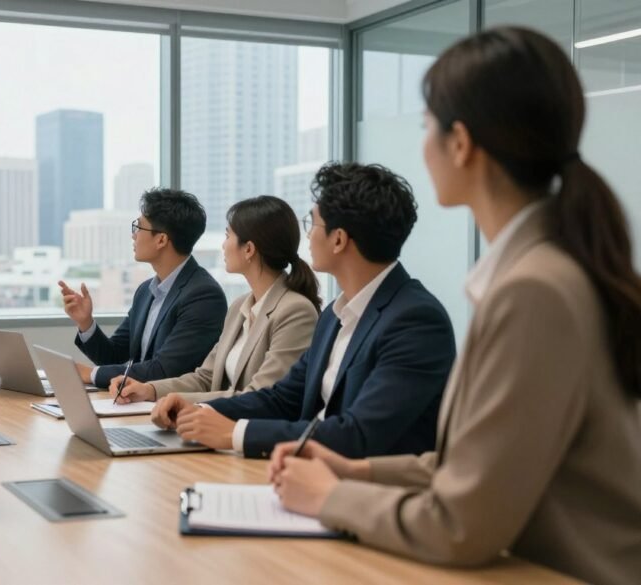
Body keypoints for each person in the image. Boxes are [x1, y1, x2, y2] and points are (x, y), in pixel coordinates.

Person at [269, 28, 641, 585]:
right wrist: (356, 471)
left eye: (426, 127)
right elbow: (477, 468)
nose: (423, 144)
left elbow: (460, 524)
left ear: (460, 143)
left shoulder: (535, 291)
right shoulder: (543, 271)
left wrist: (333, 498)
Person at [151, 162, 456, 459]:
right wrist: (199, 411)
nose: (307, 236)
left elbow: (359, 435)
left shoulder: (415, 321)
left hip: (369, 497)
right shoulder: (335, 316)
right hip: (308, 476)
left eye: (312, 224)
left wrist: (234, 434)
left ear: (338, 240)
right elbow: (283, 398)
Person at [111, 195, 320, 404]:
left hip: (251, 432)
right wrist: (150, 390)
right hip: (218, 425)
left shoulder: (295, 311)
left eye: (228, 235)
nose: (223, 245)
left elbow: (261, 395)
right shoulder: (240, 307)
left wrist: (181, 402)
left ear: (248, 249)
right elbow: (206, 377)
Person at [59, 188, 228, 388]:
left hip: (176, 409)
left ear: (161, 240)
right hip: (137, 403)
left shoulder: (204, 297)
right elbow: (113, 355)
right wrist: (86, 323)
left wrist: (90, 374)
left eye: (138, 227)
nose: (134, 236)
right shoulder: (145, 291)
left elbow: (164, 370)